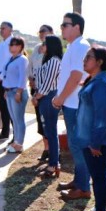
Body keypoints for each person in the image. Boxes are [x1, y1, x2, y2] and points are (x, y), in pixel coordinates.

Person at [73, 47, 106, 211]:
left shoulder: (102, 85)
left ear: (99, 61)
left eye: (88, 57)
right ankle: (98, 210)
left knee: (99, 177)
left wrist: (95, 142)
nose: (84, 60)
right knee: (96, 176)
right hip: (88, 139)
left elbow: (103, 117)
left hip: (96, 142)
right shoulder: (94, 80)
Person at [51, 13, 91, 202]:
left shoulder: (81, 46)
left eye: (65, 25)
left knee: (78, 146)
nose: (62, 28)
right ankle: (79, 181)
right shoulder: (74, 47)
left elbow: (76, 76)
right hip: (71, 104)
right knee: (76, 145)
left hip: (75, 105)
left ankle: (83, 187)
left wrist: (60, 98)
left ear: (77, 27)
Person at [30, 34, 63, 178]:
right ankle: (54, 162)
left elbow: (47, 85)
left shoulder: (54, 61)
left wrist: (36, 97)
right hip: (45, 97)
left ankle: (53, 164)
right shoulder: (47, 61)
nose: (41, 46)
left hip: (49, 98)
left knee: (51, 132)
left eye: (44, 43)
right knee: (49, 132)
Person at [29, 25, 53, 161]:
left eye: (45, 31)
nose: (42, 33)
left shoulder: (53, 49)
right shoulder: (36, 48)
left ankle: (54, 152)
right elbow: (30, 65)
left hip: (47, 91)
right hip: (36, 88)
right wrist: (31, 78)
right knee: (40, 121)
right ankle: (46, 149)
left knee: (49, 121)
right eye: (40, 31)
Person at [1, 36, 29, 154]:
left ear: (21, 47)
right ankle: (16, 141)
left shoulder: (22, 59)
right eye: (11, 45)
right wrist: (5, 91)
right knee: (14, 119)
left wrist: (19, 92)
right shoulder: (11, 58)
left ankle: (19, 144)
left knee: (19, 119)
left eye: (16, 45)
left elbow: (23, 77)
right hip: (9, 91)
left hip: (17, 91)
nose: (13, 47)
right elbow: (7, 76)